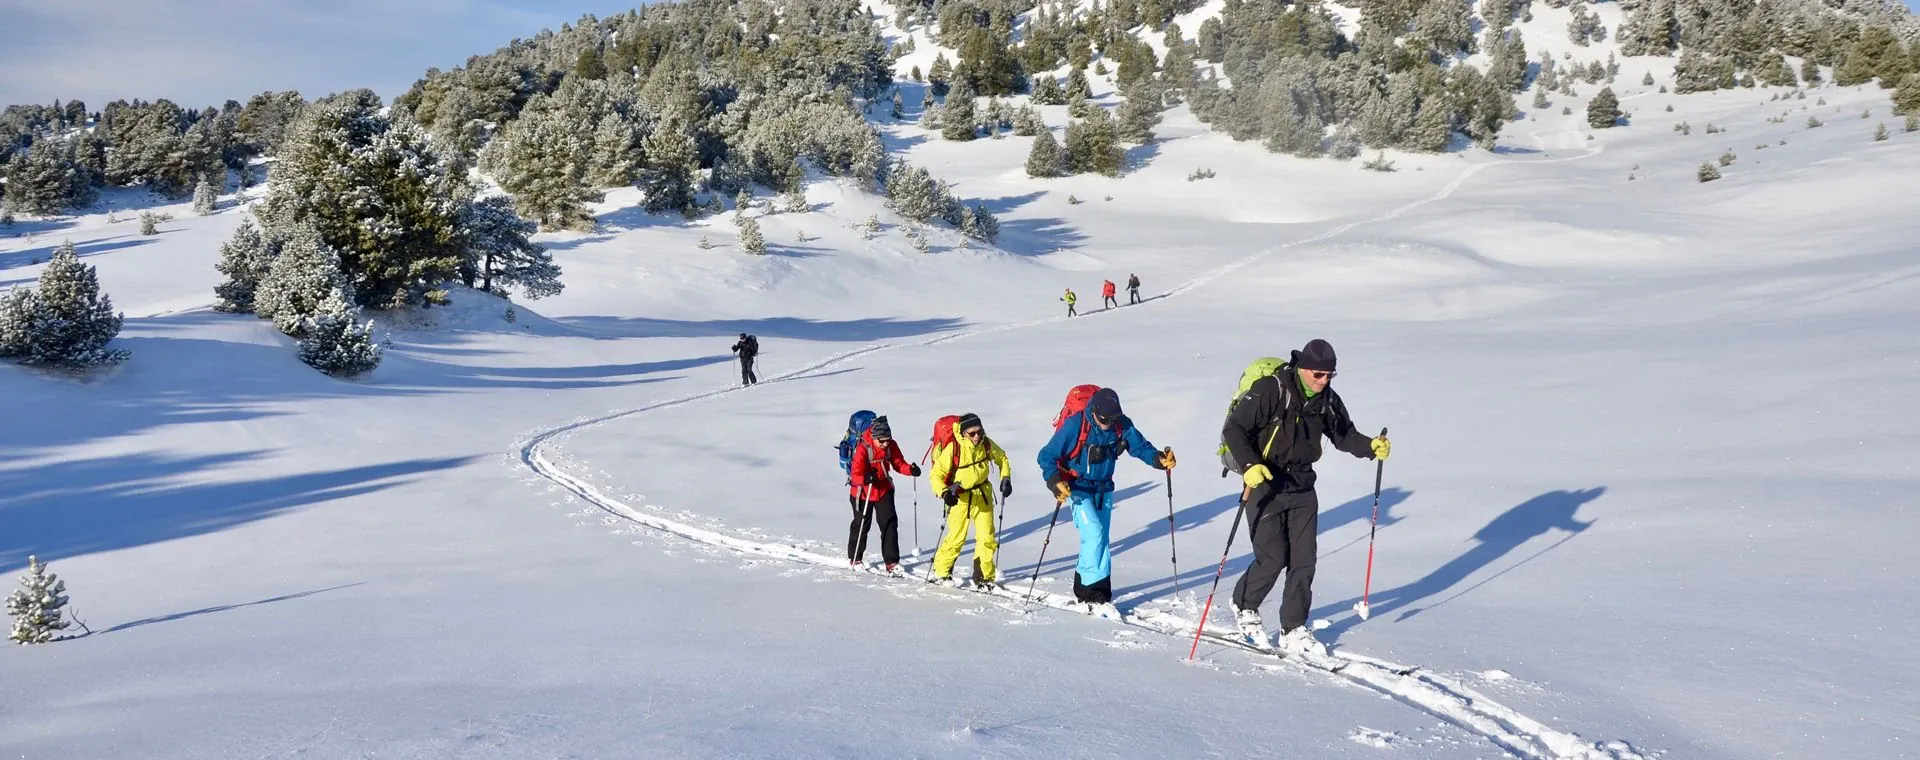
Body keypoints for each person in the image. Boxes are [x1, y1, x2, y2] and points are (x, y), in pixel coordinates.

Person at [1220, 339, 1388, 655]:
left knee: (1304, 560)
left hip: (1302, 484)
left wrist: (1370, 447)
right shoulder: (1272, 389)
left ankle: (1294, 628)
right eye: (1318, 375)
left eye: (1329, 376)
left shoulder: (1326, 400)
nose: (1323, 381)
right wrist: (1250, 465)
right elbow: (1235, 429)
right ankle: (1244, 605)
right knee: (1272, 558)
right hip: (1265, 480)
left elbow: (1343, 434)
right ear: (1302, 368)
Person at [1037, 388, 1175, 616]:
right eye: (1105, 419)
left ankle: (1089, 589)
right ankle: (1091, 595)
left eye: (1113, 419)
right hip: (1077, 487)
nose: (1109, 424)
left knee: (1099, 540)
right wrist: (1054, 482)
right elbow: (1046, 456)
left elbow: (1139, 446)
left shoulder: (1121, 423)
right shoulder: (1076, 425)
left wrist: (1158, 459)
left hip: (1104, 488)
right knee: (1094, 534)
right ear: (1095, 411)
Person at [929, 413, 1013, 588]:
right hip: (959, 498)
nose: (977, 437)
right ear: (962, 433)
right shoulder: (954, 448)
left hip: (983, 495)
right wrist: (945, 493)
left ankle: (984, 577)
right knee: (957, 538)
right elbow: (936, 475)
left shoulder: (986, 443)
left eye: (979, 432)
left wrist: (1005, 478)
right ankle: (941, 572)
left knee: (987, 538)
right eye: (972, 433)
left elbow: (1002, 458)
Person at [847, 416, 921, 574]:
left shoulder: (891, 445)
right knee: (861, 525)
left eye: (888, 439)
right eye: (882, 441)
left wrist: (911, 470)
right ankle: (855, 558)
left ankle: (892, 562)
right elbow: (855, 474)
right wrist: (866, 478)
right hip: (862, 492)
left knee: (889, 523)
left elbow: (898, 463)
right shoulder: (862, 448)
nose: (886, 443)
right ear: (874, 438)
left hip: (883, 489)